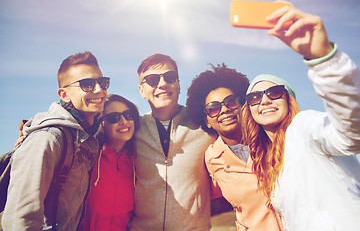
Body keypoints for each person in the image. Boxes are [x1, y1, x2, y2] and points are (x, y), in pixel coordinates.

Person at [242, 5, 360, 230]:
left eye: (274, 93)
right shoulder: (268, 161)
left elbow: (350, 133)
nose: (265, 100)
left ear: (289, 100)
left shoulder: (303, 127)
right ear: (249, 108)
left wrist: (324, 60)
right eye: (255, 97)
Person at [2, 51, 109, 230]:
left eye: (103, 82)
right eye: (87, 84)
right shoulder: (47, 139)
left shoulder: (91, 135)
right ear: (64, 94)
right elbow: (20, 218)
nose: (99, 89)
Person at [186, 64, 283, 231]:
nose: (223, 110)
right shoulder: (211, 159)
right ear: (207, 120)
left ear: (242, 105)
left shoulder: (274, 137)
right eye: (213, 108)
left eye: (230, 102)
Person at [130, 54, 216, 230]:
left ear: (178, 84)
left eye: (169, 77)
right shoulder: (131, 130)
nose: (162, 84)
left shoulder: (206, 124)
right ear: (141, 90)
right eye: (152, 80)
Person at [79, 94, 140, 230]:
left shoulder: (137, 161)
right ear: (101, 122)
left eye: (128, 115)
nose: (124, 122)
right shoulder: (88, 156)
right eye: (114, 118)